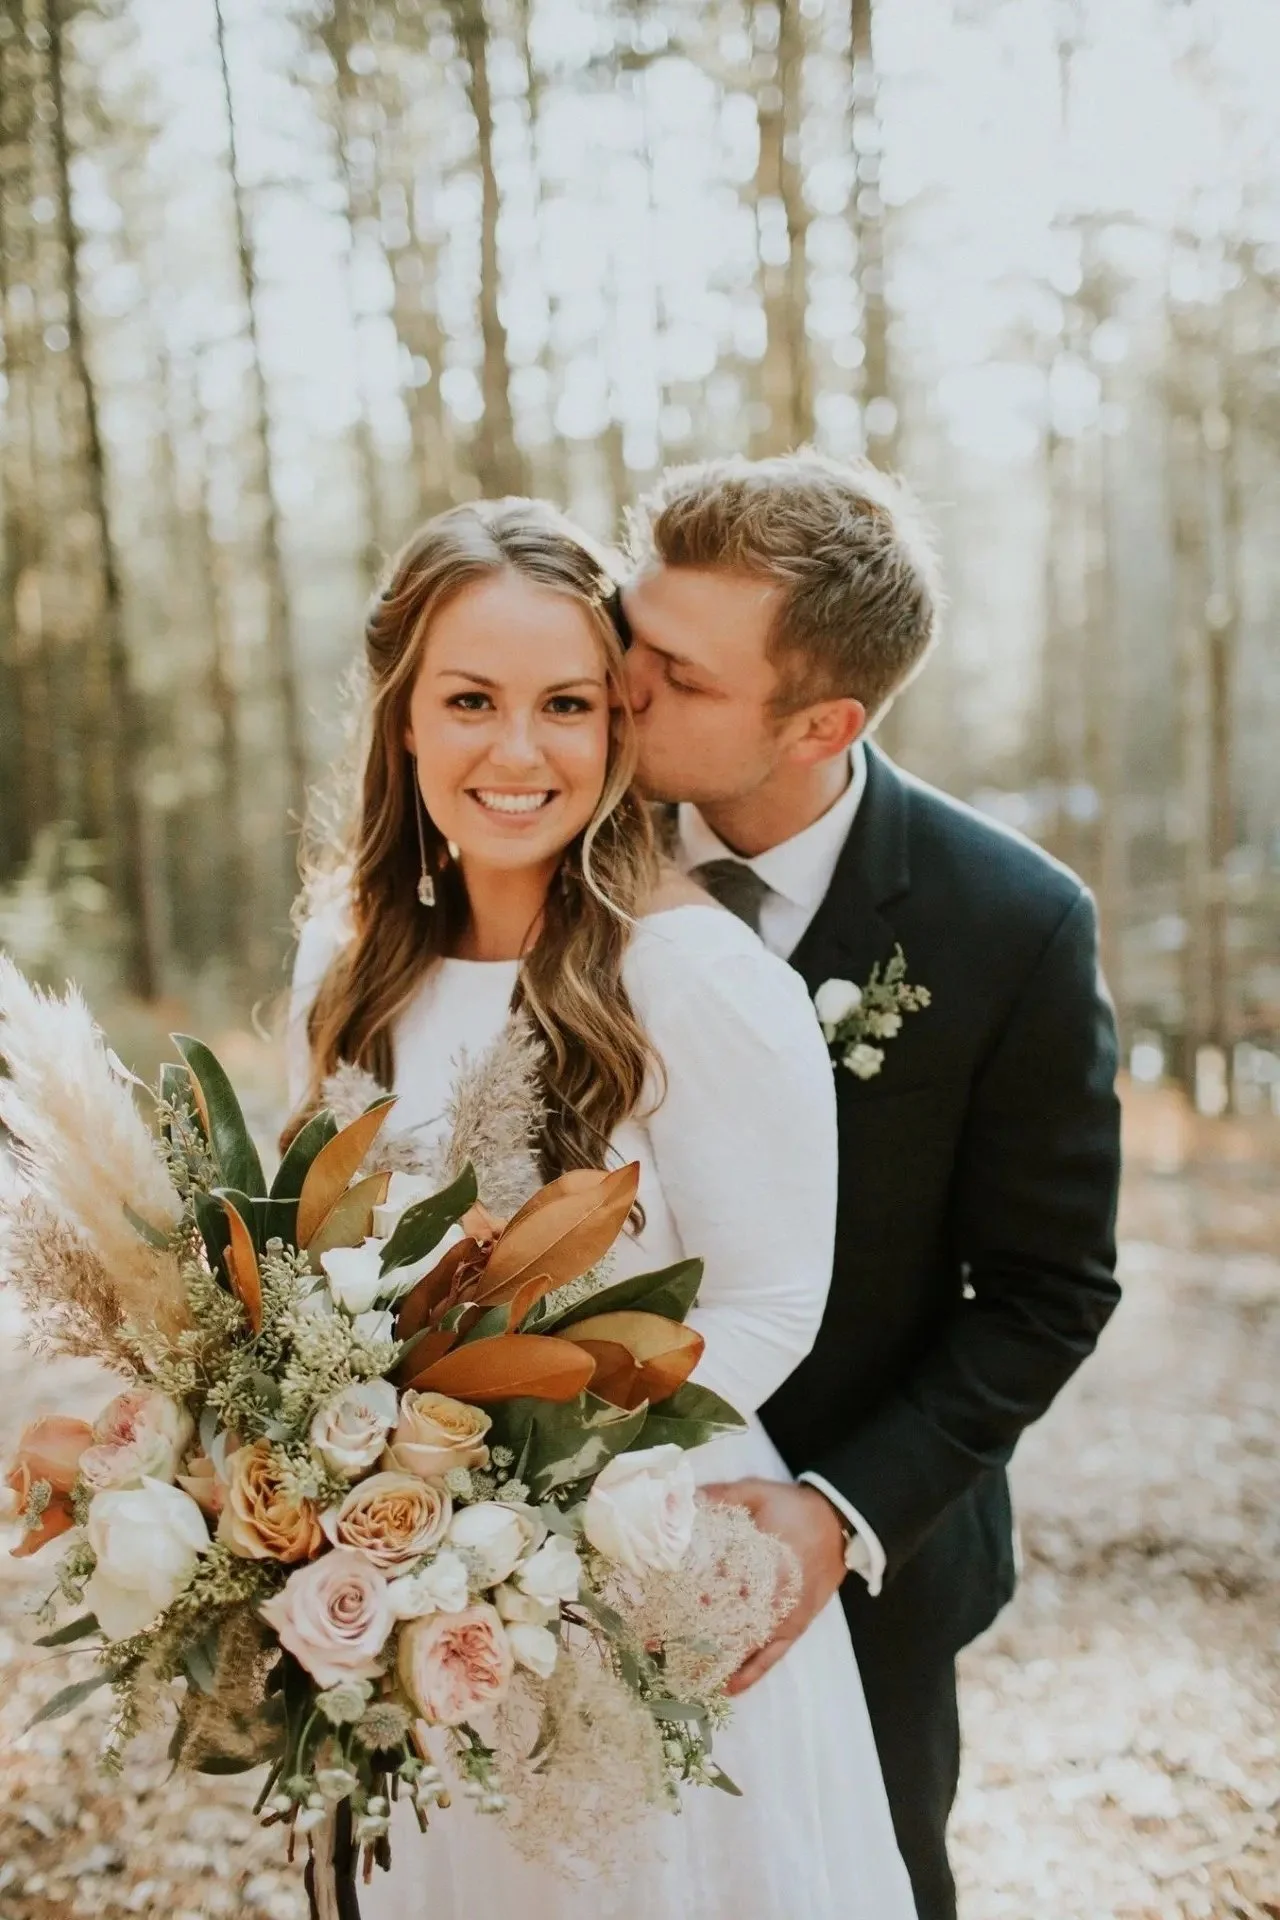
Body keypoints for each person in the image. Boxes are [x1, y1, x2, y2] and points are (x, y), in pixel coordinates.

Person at [285, 498, 917, 1920]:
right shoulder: (347, 959)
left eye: (567, 703)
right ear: (402, 721)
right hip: (405, 1587)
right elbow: (309, 1266)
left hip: (641, 1566)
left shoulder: (691, 974)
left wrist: (541, 1483)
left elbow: (768, 1302)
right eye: (470, 701)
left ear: (619, 726)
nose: (518, 752)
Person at [620, 449, 1124, 1920]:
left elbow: (1049, 1290)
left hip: (859, 1565)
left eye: (679, 674)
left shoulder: (1011, 925)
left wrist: (837, 1516)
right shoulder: (551, 852)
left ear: (820, 723)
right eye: (629, 634)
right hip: (542, 1536)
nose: (622, 688)